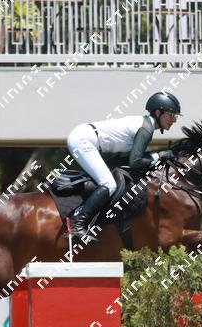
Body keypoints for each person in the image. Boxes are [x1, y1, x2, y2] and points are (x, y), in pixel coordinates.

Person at [65, 91, 182, 243]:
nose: (174, 120)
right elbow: (135, 161)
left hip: (85, 138)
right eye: (171, 115)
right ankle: (78, 226)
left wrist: (156, 156)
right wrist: (159, 156)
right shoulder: (146, 128)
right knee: (109, 184)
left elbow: (132, 160)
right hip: (83, 140)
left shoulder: (145, 124)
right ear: (158, 112)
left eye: (176, 116)